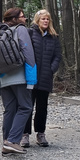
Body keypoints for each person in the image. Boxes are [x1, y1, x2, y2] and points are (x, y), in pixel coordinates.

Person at [0, 7, 37, 155]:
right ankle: (12, 141)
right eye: (22, 16)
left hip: (3, 77)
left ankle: (6, 143)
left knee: (10, 110)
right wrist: (32, 77)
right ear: (14, 19)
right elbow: (28, 53)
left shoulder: (0, 32)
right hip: (19, 76)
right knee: (26, 107)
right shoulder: (20, 30)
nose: (25, 19)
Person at [21, 9, 62, 148]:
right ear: (37, 20)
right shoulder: (30, 33)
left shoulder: (53, 37)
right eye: (43, 19)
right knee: (27, 106)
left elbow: (57, 56)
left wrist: (52, 68)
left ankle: (40, 133)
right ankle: (25, 134)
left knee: (42, 107)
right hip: (30, 77)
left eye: (47, 19)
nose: (45, 21)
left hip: (45, 76)